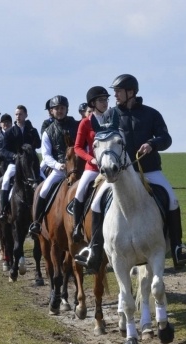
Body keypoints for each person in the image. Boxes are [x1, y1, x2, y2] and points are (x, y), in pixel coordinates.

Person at [74, 74, 186, 271]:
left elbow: (166, 138)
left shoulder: (151, 114)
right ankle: (94, 249)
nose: (115, 96)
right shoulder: (110, 116)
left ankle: (178, 247)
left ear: (131, 92)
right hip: (120, 174)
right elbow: (100, 138)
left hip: (149, 169)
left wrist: (152, 144)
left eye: (118, 92)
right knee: (95, 203)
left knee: (172, 200)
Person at [29, 95, 79, 235]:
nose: (60, 111)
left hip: (76, 168)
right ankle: (37, 223)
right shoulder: (48, 131)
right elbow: (46, 156)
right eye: (56, 108)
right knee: (43, 190)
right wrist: (58, 165)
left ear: (67, 109)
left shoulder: (76, 125)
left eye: (62, 108)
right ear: (51, 111)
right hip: (60, 169)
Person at [71, 85, 110, 242]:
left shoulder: (112, 118)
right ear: (93, 103)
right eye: (101, 100)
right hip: (93, 168)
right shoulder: (86, 123)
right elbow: (77, 147)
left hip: (111, 166)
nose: (105, 103)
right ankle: (76, 226)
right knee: (80, 192)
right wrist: (91, 159)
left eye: (106, 99)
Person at [0, 105, 41, 220]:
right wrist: (14, 156)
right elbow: (3, 151)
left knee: (43, 178)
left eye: (20, 114)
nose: (18, 116)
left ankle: (42, 209)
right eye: (16, 114)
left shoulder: (32, 130)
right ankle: (3, 210)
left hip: (30, 164)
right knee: (6, 180)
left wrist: (32, 139)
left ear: (26, 115)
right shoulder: (10, 132)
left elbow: (39, 144)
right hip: (15, 163)